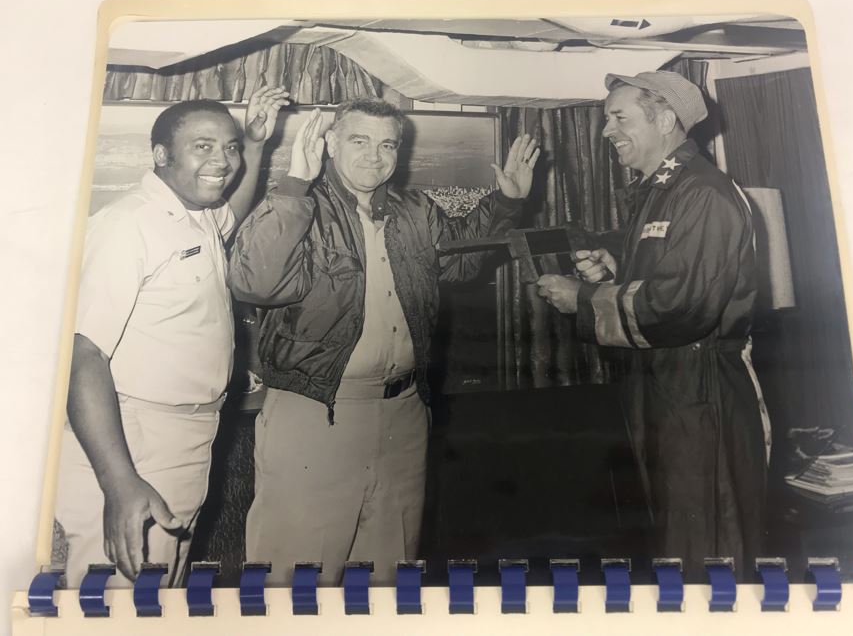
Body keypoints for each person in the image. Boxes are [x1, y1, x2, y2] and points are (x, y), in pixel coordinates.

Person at [229, 97, 538, 586]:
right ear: (330, 144)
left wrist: (505, 202)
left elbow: (459, 261)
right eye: (359, 141)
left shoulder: (413, 209)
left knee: (388, 570)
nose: (374, 156)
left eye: (387, 144)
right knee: (295, 573)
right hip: (316, 411)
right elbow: (255, 282)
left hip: (404, 413)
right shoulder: (295, 204)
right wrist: (295, 183)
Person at [536, 71, 768, 579]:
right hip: (664, 387)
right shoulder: (663, 190)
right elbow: (666, 275)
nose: (606, 131)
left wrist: (585, 298)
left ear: (665, 120)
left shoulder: (702, 192)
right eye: (605, 120)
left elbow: (683, 306)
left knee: (706, 541)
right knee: (673, 537)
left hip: (700, 393)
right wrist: (617, 267)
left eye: (619, 118)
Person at [55, 86, 289, 588]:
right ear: (161, 155)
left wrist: (255, 142)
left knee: (160, 593)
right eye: (202, 147)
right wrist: (119, 482)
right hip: (135, 437)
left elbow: (233, 210)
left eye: (228, 147)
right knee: (120, 600)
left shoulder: (197, 215)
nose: (222, 161)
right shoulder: (128, 226)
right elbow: (83, 354)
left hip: (185, 434)